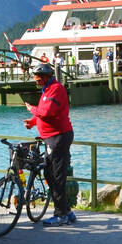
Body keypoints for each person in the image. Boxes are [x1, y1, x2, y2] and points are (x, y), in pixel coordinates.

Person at [24, 63, 75, 226]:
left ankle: (60, 215)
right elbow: (44, 111)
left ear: (46, 77)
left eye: (38, 79)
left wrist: (32, 110)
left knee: (56, 176)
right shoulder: (47, 90)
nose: (36, 81)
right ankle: (67, 211)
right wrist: (33, 122)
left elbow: (46, 112)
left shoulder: (56, 89)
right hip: (50, 138)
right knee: (49, 174)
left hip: (58, 137)